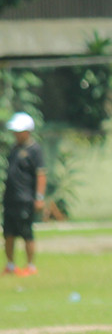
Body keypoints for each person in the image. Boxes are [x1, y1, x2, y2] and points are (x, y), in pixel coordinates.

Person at [3, 112, 46, 277]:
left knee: (26, 233)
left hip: (25, 199)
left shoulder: (34, 150)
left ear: (27, 131)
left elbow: (41, 174)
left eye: (18, 131)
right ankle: (11, 265)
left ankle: (30, 265)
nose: (15, 134)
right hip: (10, 199)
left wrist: (39, 198)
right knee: (8, 233)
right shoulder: (14, 149)